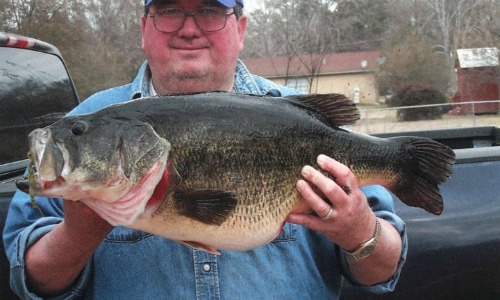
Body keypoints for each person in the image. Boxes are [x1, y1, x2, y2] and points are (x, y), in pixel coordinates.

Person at [3, 0, 407, 299]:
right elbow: (30, 282)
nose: (189, 28)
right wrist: (78, 234)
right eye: (168, 9)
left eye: (211, 10)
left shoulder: (301, 119)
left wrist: (359, 232)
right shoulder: (87, 124)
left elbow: (383, 269)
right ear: (145, 27)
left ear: (241, 27)